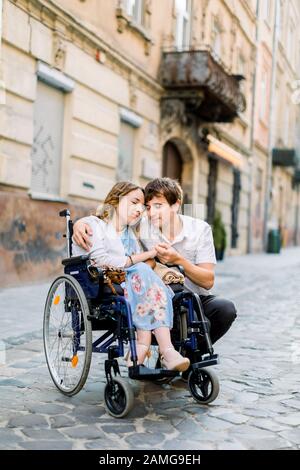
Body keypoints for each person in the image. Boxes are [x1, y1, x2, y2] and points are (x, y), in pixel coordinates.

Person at [73, 177, 237, 378]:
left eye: (157, 206)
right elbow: (104, 222)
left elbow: (208, 280)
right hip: (152, 292)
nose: (149, 212)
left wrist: (178, 260)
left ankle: (184, 357)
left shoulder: (199, 230)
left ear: (176, 205)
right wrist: (79, 223)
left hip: (190, 295)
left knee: (222, 310)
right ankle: (168, 352)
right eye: (147, 207)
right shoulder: (138, 224)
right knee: (152, 282)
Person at [72, 181, 190, 372]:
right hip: (104, 282)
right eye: (134, 202)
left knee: (149, 278)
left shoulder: (131, 233)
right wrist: (147, 255)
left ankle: (149, 348)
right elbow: (102, 261)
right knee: (143, 272)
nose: (139, 210)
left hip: (135, 283)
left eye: (142, 206)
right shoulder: (94, 225)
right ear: (116, 199)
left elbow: (139, 264)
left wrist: (146, 259)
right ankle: (163, 349)